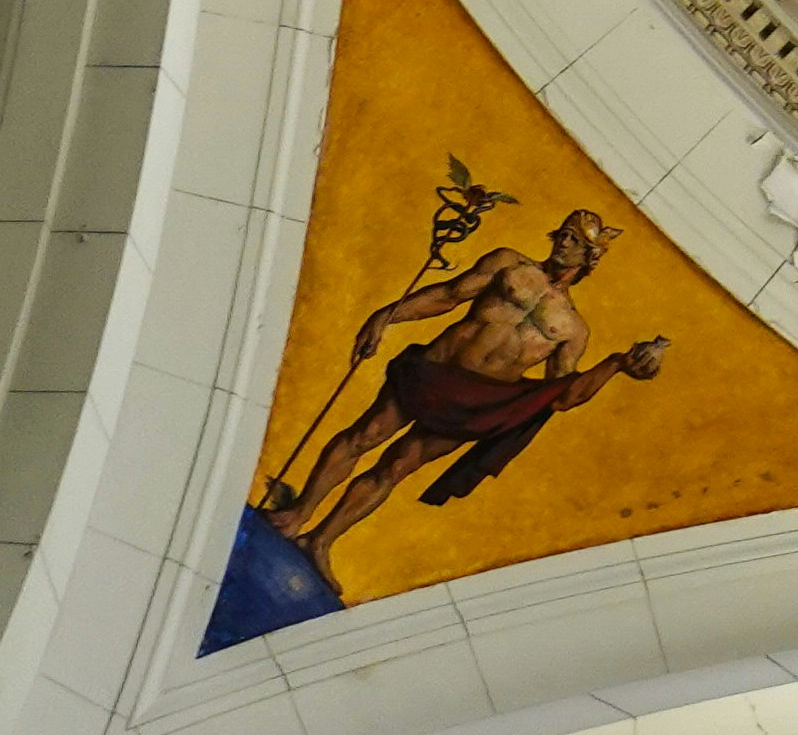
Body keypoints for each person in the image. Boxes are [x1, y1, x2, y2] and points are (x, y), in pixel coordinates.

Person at [262, 206, 671, 565]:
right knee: (364, 436)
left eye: (575, 240)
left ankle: (320, 540)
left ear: (590, 256)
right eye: (562, 233)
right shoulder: (511, 266)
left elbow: (562, 395)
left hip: (479, 403)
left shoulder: (573, 329)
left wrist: (618, 364)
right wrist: (387, 316)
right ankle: (299, 513)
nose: (563, 242)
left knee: (398, 466)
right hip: (437, 371)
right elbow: (448, 295)